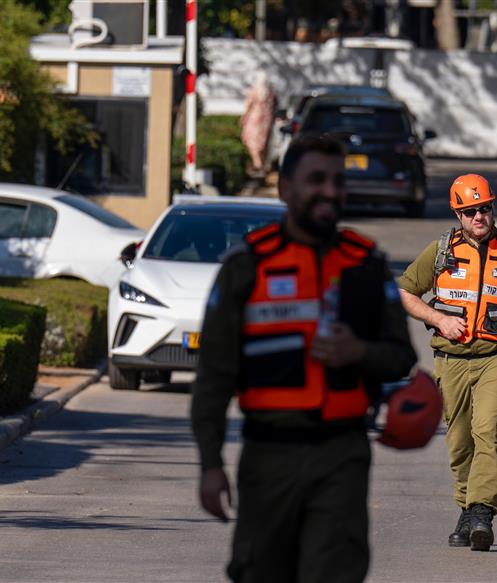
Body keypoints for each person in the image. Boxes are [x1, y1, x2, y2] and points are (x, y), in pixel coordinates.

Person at [191, 134, 418, 583]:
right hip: (268, 454)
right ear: (285, 188)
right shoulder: (247, 267)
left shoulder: (366, 264)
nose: (330, 191)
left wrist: (360, 353)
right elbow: (214, 378)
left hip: (342, 454)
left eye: (338, 181)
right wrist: (211, 464)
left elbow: (400, 357)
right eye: (316, 180)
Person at [398, 173, 497, 551]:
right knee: (459, 441)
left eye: (484, 208)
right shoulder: (440, 251)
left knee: (489, 429)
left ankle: (482, 511)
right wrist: (438, 319)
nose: (479, 217)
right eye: (470, 211)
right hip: (450, 361)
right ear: (458, 213)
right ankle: (467, 509)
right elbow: (404, 290)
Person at [240, 70, 278, 175]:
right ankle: (263, 164)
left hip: (254, 119)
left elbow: (248, 106)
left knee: (251, 141)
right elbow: (276, 104)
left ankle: (258, 164)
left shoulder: (254, 91)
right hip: (266, 120)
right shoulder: (271, 91)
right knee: (264, 143)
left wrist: (244, 118)